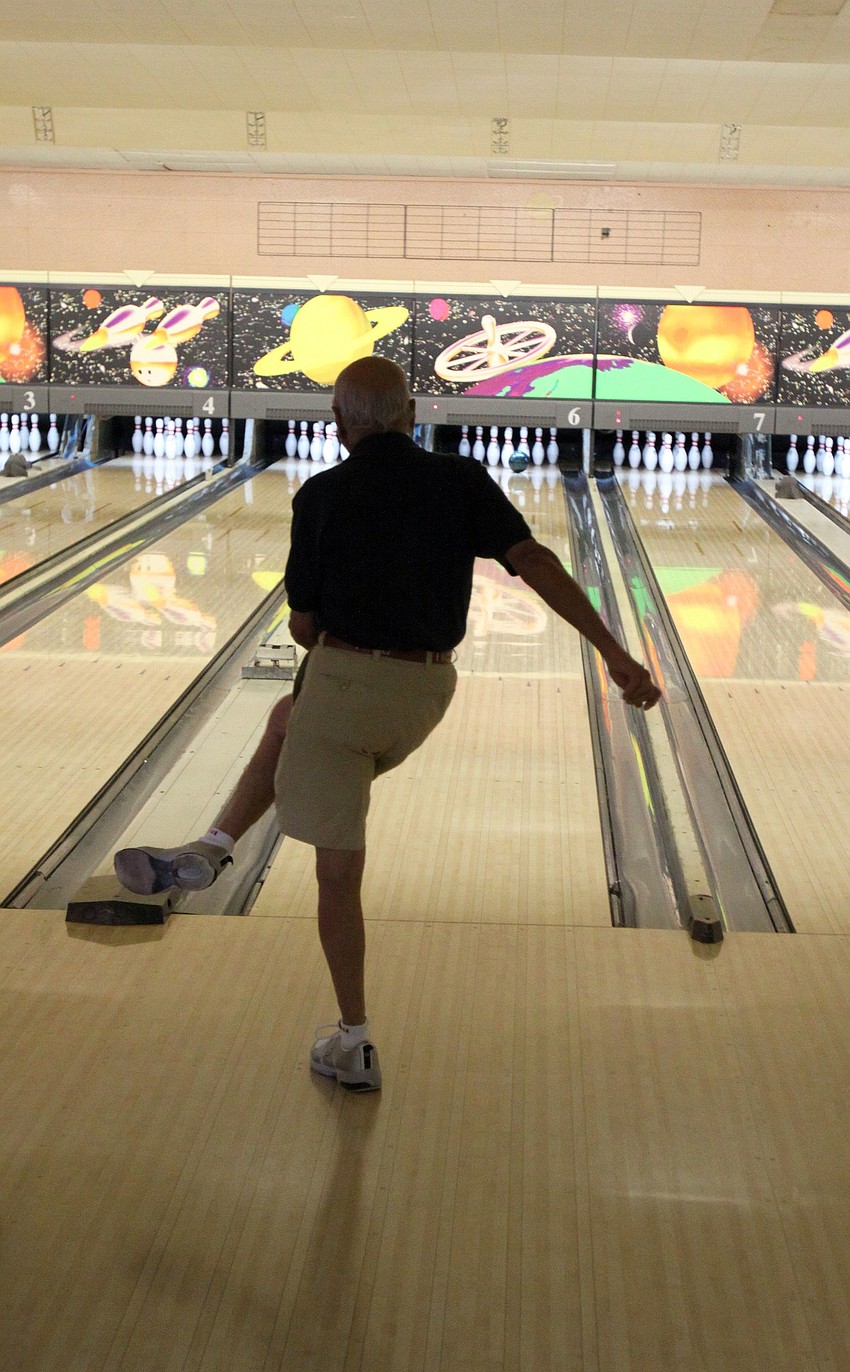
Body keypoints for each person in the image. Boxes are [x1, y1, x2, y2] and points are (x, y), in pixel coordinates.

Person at [116, 356, 660, 1092]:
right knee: (287, 718)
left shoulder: (322, 494)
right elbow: (531, 559)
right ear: (412, 413)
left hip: (345, 686)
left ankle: (354, 1040)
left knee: (336, 872)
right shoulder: (464, 479)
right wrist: (616, 655)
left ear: (338, 422)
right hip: (427, 694)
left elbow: (304, 627)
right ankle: (211, 849)